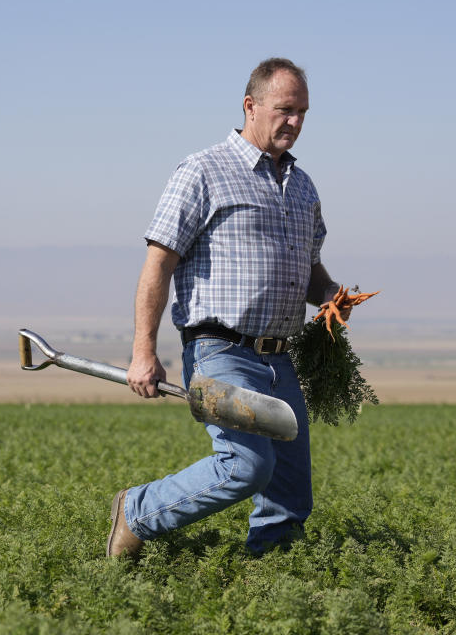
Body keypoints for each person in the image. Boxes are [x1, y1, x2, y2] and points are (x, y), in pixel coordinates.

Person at [106, 57, 350, 558]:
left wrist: (329, 296)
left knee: (288, 492)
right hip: (222, 350)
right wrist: (143, 350)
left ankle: (271, 578)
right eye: (285, 109)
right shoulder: (202, 170)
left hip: (282, 356)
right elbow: (158, 265)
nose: (296, 122)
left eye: (303, 112)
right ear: (250, 105)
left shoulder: (303, 187)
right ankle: (137, 512)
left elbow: (308, 271)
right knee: (245, 466)